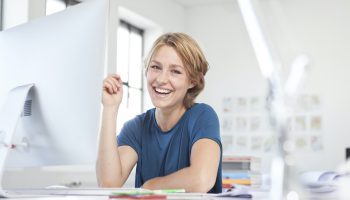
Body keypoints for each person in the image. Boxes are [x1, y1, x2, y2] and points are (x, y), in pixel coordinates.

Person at [96, 32, 222, 193]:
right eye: (155, 67)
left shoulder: (202, 116)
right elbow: (108, 184)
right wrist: (109, 108)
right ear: (146, 70)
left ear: (192, 81)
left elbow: (201, 179)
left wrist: (148, 187)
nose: (161, 79)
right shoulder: (136, 127)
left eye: (175, 71)